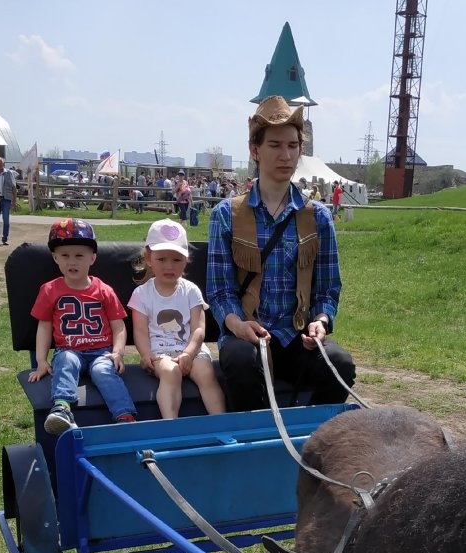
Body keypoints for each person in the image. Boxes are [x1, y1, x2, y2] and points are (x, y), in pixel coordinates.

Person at [207, 95, 355, 412]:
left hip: (296, 337)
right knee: (240, 360)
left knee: (340, 364)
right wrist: (237, 325)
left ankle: (312, 441)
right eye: (275, 145)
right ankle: (254, 444)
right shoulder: (226, 215)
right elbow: (219, 291)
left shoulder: (319, 217)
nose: (285, 155)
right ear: (255, 150)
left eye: (292, 145)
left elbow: (329, 287)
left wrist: (321, 320)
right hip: (248, 336)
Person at [28, 218, 137, 434]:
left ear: (92, 258)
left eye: (79, 255)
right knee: (66, 361)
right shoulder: (49, 290)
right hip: (68, 349)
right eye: (65, 255)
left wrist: (117, 353)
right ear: (55, 258)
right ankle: (62, 409)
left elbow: (119, 326)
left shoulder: (104, 290)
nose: (72, 262)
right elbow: (44, 326)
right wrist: (41, 360)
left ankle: (125, 416)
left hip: (101, 352)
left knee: (104, 371)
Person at [128, 219, 226, 420]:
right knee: (171, 372)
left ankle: (221, 422)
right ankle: (170, 423)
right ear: (148, 258)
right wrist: (146, 354)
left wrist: (189, 354)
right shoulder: (141, 294)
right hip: (159, 352)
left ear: (186, 259)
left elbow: (198, 329)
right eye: (162, 259)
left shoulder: (191, 291)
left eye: (176, 260)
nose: (169, 266)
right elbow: (140, 330)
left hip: (191, 349)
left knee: (206, 373)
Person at [0, 156, 18, 246]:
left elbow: (14, 187)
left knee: (6, 220)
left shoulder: (8, 173)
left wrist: (14, 201)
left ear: (3, 164)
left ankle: (5, 238)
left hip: (6, 199)